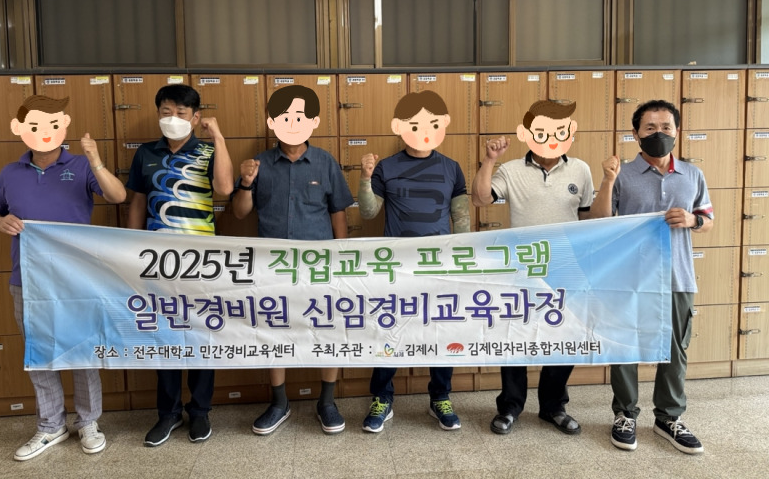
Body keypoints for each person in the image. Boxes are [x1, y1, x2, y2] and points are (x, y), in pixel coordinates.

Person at [0, 95, 127, 461]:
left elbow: (117, 195)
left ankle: (88, 422)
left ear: (62, 126)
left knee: (82, 351)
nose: (43, 132)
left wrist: (95, 160)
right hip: (28, 278)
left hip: (76, 279)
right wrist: (0, 223)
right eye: (34, 126)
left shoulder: (80, 165)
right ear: (20, 129)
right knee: (40, 352)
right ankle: (50, 426)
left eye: (50, 124)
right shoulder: (10, 172)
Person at [471, 99, 618, 437]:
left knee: (564, 335)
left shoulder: (580, 169)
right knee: (514, 335)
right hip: (521, 267)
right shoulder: (511, 169)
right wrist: (489, 160)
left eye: (558, 130)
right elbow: (480, 199)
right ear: (528, 134)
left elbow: (594, 219)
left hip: (564, 265)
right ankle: (510, 406)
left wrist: (608, 180)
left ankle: (553, 407)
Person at [232, 84, 354, 435]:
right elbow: (240, 213)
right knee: (275, 330)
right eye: (284, 117)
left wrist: (342, 260)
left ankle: (326, 401)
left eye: (299, 117)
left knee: (327, 328)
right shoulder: (259, 163)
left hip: (320, 265)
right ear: (272, 122)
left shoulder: (325, 162)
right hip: (273, 266)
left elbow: (338, 214)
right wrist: (245, 183)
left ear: (313, 121)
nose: (292, 123)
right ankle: (279, 403)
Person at [599, 100, 711, 455]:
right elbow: (600, 220)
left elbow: (708, 220)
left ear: (677, 132)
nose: (658, 133)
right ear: (636, 134)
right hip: (629, 278)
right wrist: (608, 180)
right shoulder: (623, 174)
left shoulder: (692, 175)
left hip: (678, 277)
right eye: (650, 128)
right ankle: (624, 414)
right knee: (624, 346)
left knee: (675, 350)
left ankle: (668, 418)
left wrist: (693, 220)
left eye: (666, 127)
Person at [127, 84, 234, 447]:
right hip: (158, 262)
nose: (172, 118)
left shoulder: (208, 150)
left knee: (201, 336)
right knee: (165, 337)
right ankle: (168, 413)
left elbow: (224, 188)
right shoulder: (146, 153)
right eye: (166, 112)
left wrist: (218, 138)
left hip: (201, 263)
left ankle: (200, 411)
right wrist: (131, 249)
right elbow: (138, 201)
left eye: (181, 113)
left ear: (195, 117)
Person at [358, 90, 471, 433]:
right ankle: (382, 398)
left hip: (440, 267)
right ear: (401, 127)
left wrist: (463, 263)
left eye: (432, 123)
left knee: (441, 329)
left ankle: (440, 397)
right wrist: (365, 177)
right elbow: (368, 212)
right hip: (397, 268)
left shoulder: (451, 168)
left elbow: (461, 220)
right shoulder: (387, 167)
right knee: (390, 330)